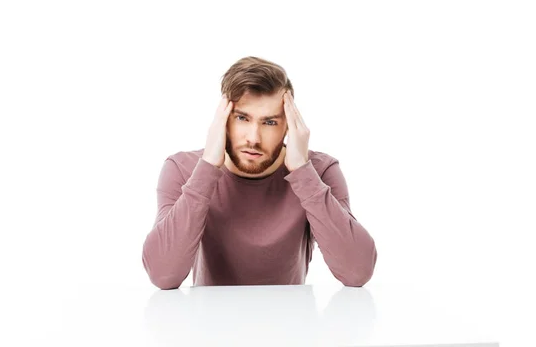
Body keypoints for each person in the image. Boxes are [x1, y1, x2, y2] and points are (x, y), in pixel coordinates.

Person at [142, 56, 378, 290]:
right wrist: (207, 168)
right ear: (223, 120)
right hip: (209, 325)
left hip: (294, 325)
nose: (253, 138)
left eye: (270, 123)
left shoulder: (320, 171)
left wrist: (303, 172)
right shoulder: (182, 169)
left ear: (289, 126)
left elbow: (357, 272)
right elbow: (163, 275)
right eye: (242, 118)